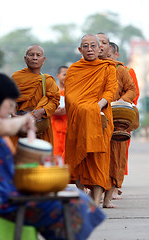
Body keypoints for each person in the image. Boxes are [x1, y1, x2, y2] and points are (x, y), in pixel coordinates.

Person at [0, 72, 106, 240]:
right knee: (73, 203)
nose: (11, 109)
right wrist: (25, 119)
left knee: (72, 197)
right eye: (10, 103)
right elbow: (5, 127)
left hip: (5, 189)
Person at [64, 34, 118, 206]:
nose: (90, 49)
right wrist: (85, 108)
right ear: (80, 50)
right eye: (85, 46)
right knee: (77, 155)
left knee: (99, 158)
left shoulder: (108, 67)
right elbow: (70, 96)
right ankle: (81, 193)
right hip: (79, 117)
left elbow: (110, 91)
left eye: (93, 46)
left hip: (100, 117)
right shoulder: (74, 69)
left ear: (99, 48)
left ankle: (96, 200)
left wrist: (96, 107)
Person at [96, 34, 137, 208]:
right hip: (93, 117)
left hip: (115, 118)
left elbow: (132, 90)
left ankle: (108, 195)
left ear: (109, 48)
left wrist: (122, 102)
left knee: (115, 158)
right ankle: (93, 192)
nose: (99, 47)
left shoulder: (120, 69)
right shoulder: (83, 69)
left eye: (103, 43)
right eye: (95, 44)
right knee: (95, 157)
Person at [108, 42, 141, 200]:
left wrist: (119, 104)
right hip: (102, 116)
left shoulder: (126, 71)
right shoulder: (97, 70)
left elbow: (134, 93)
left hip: (121, 117)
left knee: (119, 154)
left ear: (116, 54)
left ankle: (116, 185)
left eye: (109, 55)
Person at [11, 44, 60, 148]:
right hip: (20, 124)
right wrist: (12, 114)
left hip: (41, 125)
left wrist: (42, 111)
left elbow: (54, 101)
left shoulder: (48, 80)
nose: (34, 58)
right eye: (31, 55)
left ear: (43, 60)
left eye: (38, 55)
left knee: (40, 157)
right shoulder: (16, 77)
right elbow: (9, 99)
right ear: (25, 59)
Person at [51, 66, 68, 159]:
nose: (66, 77)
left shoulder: (71, 92)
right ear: (58, 75)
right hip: (55, 127)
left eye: (68, 75)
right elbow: (45, 107)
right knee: (56, 153)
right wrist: (54, 111)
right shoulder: (53, 91)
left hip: (68, 127)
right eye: (64, 74)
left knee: (67, 154)